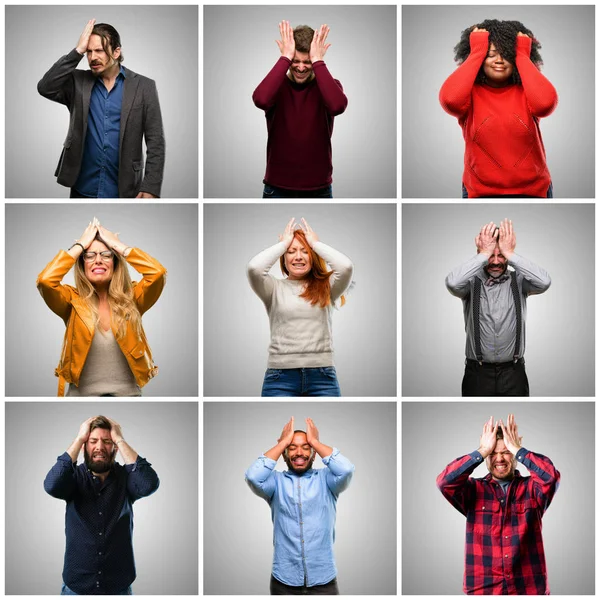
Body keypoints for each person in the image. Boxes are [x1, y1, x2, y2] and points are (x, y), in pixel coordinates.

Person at [37, 217, 166, 396]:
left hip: (128, 396)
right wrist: (80, 245)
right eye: (90, 255)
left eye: (106, 254)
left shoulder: (133, 297)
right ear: (82, 264)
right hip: (80, 397)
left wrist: (117, 245)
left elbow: (157, 274)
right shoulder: (70, 301)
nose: (98, 260)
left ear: (115, 262)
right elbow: (45, 281)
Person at [37, 19, 165, 198]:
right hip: (82, 186)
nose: (92, 57)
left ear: (116, 51)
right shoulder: (77, 82)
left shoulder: (144, 86)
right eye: (88, 52)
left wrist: (150, 187)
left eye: (99, 50)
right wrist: (77, 51)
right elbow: (45, 87)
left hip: (124, 188)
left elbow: (156, 141)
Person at [437, 414, 560, 594]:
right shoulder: (473, 490)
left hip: (528, 588)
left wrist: (519, 450)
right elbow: (444, 482)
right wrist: (480, 451)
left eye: (506, 452)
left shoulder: (532, 490)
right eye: (493, 453)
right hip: (483, 590)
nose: (500, 459)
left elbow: (551, 477)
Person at [439, 19, 557, 198]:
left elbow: (546, 104)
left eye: (507, 54)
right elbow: (449, 100)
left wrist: (522, 56)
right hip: (479, 192)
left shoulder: (528, 90)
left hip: (534, 191)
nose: (499, 60)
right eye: (492, 54)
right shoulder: (468, 93)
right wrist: (477, 51)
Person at [44, 415, 159, 595]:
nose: (99, 447)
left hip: (118, 589)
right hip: (76, 589)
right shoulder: (73, 478)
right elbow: (51, 485)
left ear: (114, 447)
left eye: (107, 441)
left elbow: (149, 484)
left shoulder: (126, 478)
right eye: (92, 441)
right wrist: (79, 438)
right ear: (84, 446)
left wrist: (119, 439)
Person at [246, 417, 354, 595]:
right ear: (284, 453)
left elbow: (347, 470)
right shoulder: (275, 483)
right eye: (292, 447)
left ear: (313, 453)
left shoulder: (327, 480)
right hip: (283, 582)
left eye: (306, 447)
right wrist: (282, 443)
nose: (299, 452)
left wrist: (315, 442)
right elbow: (252, 476)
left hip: (324, 581)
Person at [247, 218, 353, 396]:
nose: (298, 256)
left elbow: (346, 267)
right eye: (291, 251)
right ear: (284, 258)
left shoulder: (328, 286)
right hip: (279, 378)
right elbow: (254, 268)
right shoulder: (272, 288)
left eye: (305, 251)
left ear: (313, 256)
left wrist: (315, 243)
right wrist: (282, 244)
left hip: (323, 377)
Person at [446, 219, 550, 396]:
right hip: (477, 374)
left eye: (500, 255)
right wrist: (482, 253)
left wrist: (511, 253)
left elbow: (544, 282)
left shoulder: (519, 281)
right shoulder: (471, 282)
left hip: (514, 373)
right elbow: (452, 282)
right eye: (489, 256)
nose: (495, 261)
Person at [253, 22, 348, 198]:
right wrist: (285, 58)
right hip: (276, 187)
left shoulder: (329, 86)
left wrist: (318, 61)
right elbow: (260, 99)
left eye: (308, 61)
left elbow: (337, 106)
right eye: (295, 61)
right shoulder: (276, 86)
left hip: (320, 188)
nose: (301, 67)